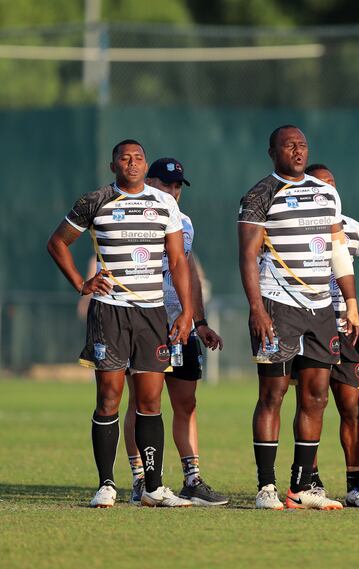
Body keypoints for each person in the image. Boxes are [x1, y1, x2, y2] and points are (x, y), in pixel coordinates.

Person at [46, 139, 193, 508]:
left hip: (152, 312)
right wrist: (81, 283)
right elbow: (57, 243)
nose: (132, 163)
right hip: (108, 311)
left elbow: (177, 262)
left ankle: (154, 488)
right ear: (114, 166)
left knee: (150, 400)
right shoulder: (94, 201)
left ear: (146, 165)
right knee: (109, 397)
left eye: (138, 158)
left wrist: (188, 312)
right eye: (124, 158)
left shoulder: (164, 205)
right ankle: (106, 485)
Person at [238, 125, 359, 510]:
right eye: (289, 144)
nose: (297, 150)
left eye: (302, 144)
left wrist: (352, 300)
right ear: (271, 150)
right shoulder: (260, 194)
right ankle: (266, 487)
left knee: (316, 396)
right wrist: (257, 307)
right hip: (277, 305)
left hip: (321, 308)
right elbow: (247, 255)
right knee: (272, 394)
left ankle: (301, 484)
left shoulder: (326, 192)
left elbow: (337, 248)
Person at [122, 157, 228, 507]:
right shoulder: (134, 217)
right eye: (166, 184)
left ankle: (192, 479)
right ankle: (141, 478)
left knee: (187, 403)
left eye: (178, 186)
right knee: (140, 403)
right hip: (144, 324)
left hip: (181, 326)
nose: (173, 191)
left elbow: (189, 272)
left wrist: (198, 320)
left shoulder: (184, 223)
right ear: (149, 183)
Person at [290, 163, 359, 508]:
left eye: (332, 183)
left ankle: (355, 485)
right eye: (321, 183)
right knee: (310, 404)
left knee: (350, 407)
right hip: (310, 326)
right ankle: (309, 480)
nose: (328, 189)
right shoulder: (294, 224)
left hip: (345, 331)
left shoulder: (352, 228)